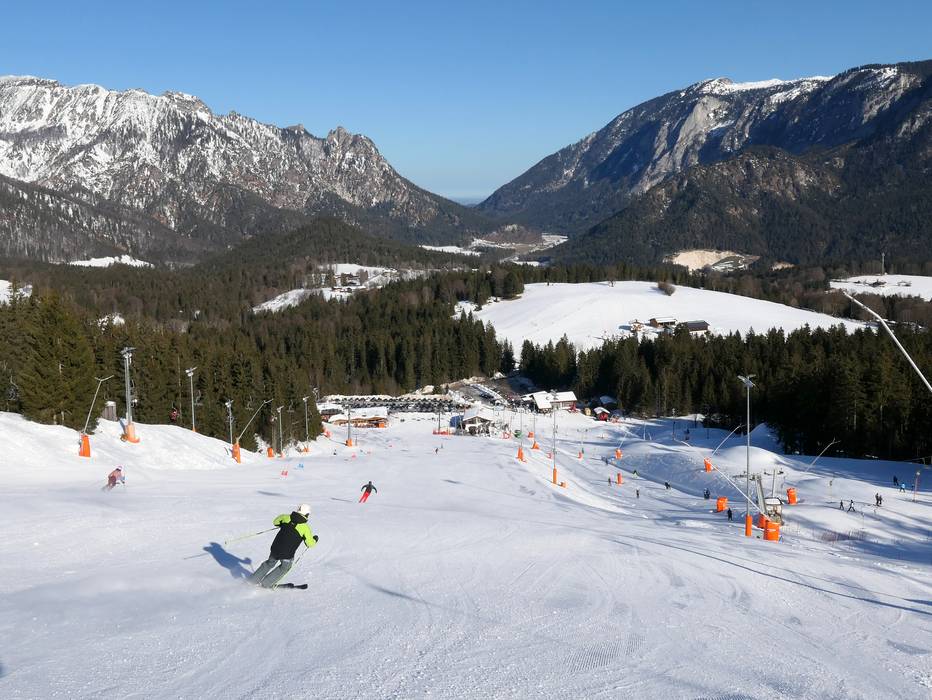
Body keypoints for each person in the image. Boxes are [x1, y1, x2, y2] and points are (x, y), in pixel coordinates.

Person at [248, 504, 317, 588]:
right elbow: (310, 544)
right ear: (307, 514)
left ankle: (252, 580)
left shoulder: (285, 517)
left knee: (269, 563)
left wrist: (283, 525)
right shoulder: (305, 528)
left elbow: (275, 522)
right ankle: (266, 583)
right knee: (285, 567)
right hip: (287, 554)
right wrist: (315, 539)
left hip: (275, 549)